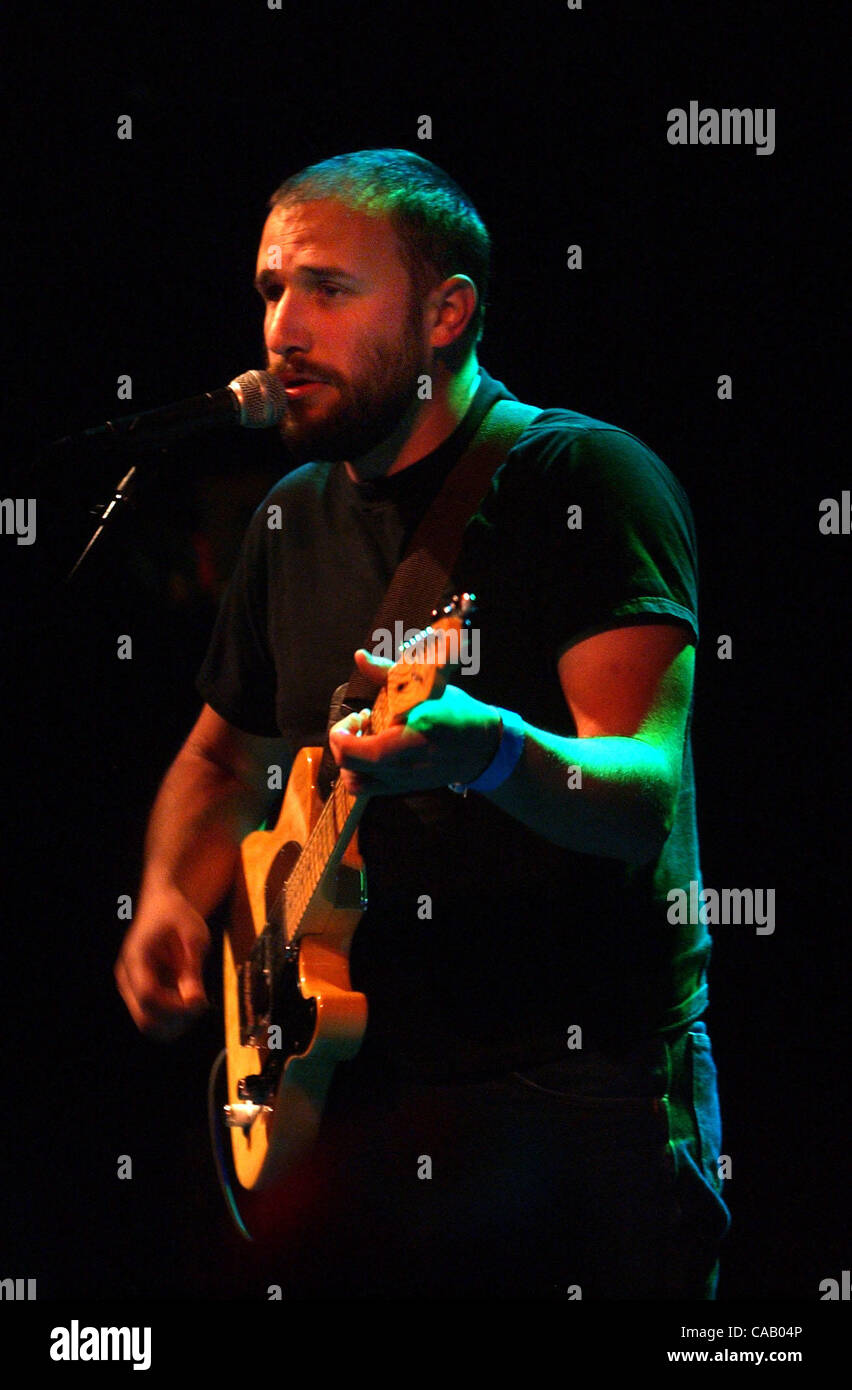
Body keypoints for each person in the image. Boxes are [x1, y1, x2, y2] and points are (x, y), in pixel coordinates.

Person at [115, 148, 730, 1298]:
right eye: (270, 290)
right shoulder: (291, 519)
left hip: (570, 1088)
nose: (284, 328)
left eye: (330, 290)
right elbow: (220, 758)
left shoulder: (581, 479)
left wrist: (488, 749)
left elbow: (644, 792)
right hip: (364, 1097)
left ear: (448, 312)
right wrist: (167, 897)